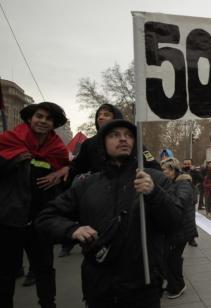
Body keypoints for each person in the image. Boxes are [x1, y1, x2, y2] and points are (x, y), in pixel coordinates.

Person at [36, 120, 184, 308]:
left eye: (129, 135)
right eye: (114, 135)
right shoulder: (87, 184)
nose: (123, 139)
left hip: (143, 287)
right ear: (103, 144)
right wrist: (72, 230)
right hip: (99, 287)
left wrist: (155, 194)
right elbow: (46, 218)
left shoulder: (155, 179)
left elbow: (175, 223)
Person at [58, 103, 160, 257]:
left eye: (106, 114)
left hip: (128, 196)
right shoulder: (89, 144)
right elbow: (76, 168)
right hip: (99, 197)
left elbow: (154, 167)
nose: (101, 117)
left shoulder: (134, 143)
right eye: (99, 114)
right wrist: (66, 169)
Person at [0, 102, 69, 308]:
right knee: (5, 273)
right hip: (9, 219)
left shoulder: (58, 150)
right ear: (30, 118)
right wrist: (14, 161)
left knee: (45, 269)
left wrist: (63, 171)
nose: (43, 121)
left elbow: (69, 171)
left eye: (49, 119)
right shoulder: (7, 141)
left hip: (41, 220)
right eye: (40, 116)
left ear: (53, 124)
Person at [160, 158, 195, 299]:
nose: (162, 173)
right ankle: (173, 283)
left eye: (164, 170)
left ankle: (178, 286)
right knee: (169, 258)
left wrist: (160, 195)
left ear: (173, 170)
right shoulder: (171, 182)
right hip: (174, 228)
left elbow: (179, 202)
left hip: (182, 229)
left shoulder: (184, 183)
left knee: (172, 259)